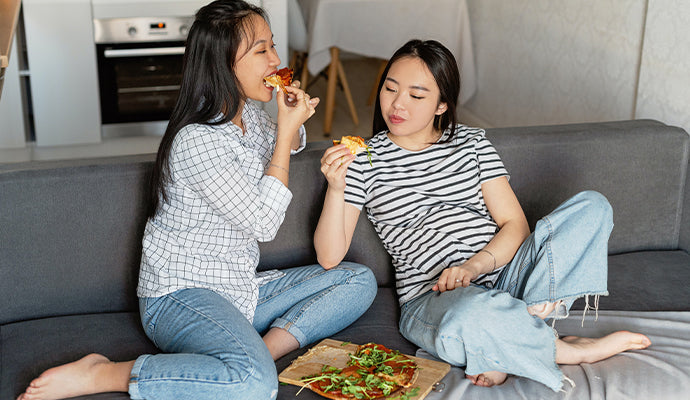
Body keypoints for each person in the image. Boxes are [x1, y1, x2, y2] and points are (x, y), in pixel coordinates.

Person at [16, 2, 376, 400]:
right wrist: (287, 131)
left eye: (273, 46)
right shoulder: (197, 141)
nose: (277, 60)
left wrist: (289, 122)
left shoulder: (248, 116)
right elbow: (263, 222)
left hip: (239, 290)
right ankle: (105, 373)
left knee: (356, 279)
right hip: (180, 296)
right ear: (223, 63)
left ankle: (262, 350)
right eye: (261, 51)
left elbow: (284, 147)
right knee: (256, 385)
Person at [314, 39, 651, 392]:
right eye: (390, 88)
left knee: (593, 207)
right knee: (471, 313)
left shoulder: (472, 143)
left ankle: (505, 341)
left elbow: (514, 226)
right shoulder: (363, 159)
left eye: (416, 96)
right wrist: (336, 188)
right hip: (434, 298)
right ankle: (568, 350)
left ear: (442, 104)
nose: (397, 104)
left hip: (504, 275)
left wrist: (474, 267)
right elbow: (328, 256)